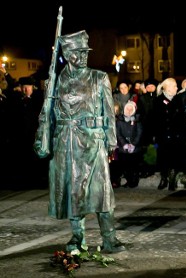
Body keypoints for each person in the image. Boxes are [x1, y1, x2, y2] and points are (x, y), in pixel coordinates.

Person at [33, 30, 126, 253]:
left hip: (93, 141)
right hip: (67, 142)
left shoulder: (98, 77)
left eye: (85, 51)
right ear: (66, 53)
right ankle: (77, 237)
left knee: (102, 192)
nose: (83, 55)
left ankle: (109, 238)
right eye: (77, 52)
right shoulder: (55, 81)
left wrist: (111, 140)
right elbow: (49, 114)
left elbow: (108, 112)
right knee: (74, 192)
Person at [153, 77, 186, 191]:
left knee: (174, 158)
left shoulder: (178, 100)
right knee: (163, 158)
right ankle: (164, 178)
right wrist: (154, 135)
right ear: (167, 87)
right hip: (163, 135)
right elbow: (153, 120)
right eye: (174, 86)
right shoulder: (158, 101)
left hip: (175, 135)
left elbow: (182, 118)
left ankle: (172, 180)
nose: (177, 88)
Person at [114, 100, 144, 188]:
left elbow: (139, 133)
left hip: (135, 147)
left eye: (131, 109)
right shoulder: (119, 120)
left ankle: (134, 181)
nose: (129, 110)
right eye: (127, 108)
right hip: (123, 148)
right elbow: (118, 133)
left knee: (134, 165)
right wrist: (124, 144)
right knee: (125, 165)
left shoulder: (137, 120)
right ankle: (129, 180)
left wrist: (134, 144)